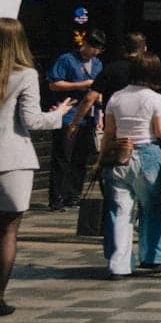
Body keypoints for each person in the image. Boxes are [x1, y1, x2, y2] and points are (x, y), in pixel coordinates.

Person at [0, 18, 74, 316]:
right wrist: (59, 114)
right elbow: (32, 121)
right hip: (13, 159)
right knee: (7, 231)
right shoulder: (25, 74)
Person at [101, 53, 161, 279]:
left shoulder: (116, 97)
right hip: (147, 154)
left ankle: (118, 264)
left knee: (120, 211)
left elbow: (109, 132)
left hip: (119, 156)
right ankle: (152, 257)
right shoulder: (155, 99)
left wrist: (101, 158)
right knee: (152, 207)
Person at [47, 29, 105, 211]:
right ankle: (57, 197)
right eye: (92, 47)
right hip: (68, 114)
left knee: (81, 157)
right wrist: (82, 85)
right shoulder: (67, 60)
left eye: (98, 50)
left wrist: (100, 115)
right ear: (84, 44)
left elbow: (99, 92)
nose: (94, 53)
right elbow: (54, 84)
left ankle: (74, 194)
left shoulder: (97, 64)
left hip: (88, 117)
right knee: (63, 156)